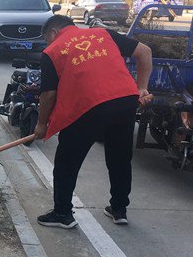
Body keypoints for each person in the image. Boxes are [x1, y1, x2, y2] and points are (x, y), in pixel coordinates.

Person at [33, 14, 152, 228]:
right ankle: (119, 209)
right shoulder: (102, 34)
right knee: (120, 158)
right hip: (125, 101)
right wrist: (142, 87)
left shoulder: (52, 51)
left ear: (52, 33)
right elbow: (145, 52)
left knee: (66, 161)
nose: (48, 43)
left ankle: (62, 214)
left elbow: (48, 94)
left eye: (47, 39)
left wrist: (42, 124)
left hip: (89, 106)